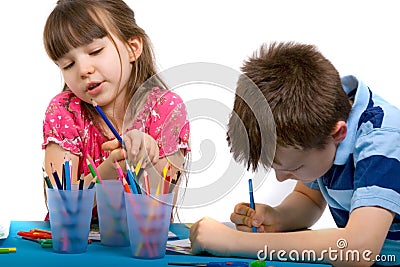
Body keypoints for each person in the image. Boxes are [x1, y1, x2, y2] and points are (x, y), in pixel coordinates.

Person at [190, 42, 400, 266]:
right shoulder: (317, 114)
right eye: (275, 168)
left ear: (337, 133)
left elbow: (359, 248)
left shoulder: (382, 137)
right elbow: (308, 198)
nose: (281, 178)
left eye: (294, 168)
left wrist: (232, 242)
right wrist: (277, 218)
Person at [42, 0, 190, 222]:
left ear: (133, 48)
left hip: (142, 247)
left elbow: (161, 205)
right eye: (68, 65)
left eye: (95, 51)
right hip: (76, 249)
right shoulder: (64, 111)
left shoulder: (166, 109)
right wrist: (108, 169)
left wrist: (144, 161)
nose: (83, 70)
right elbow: (60, 207)